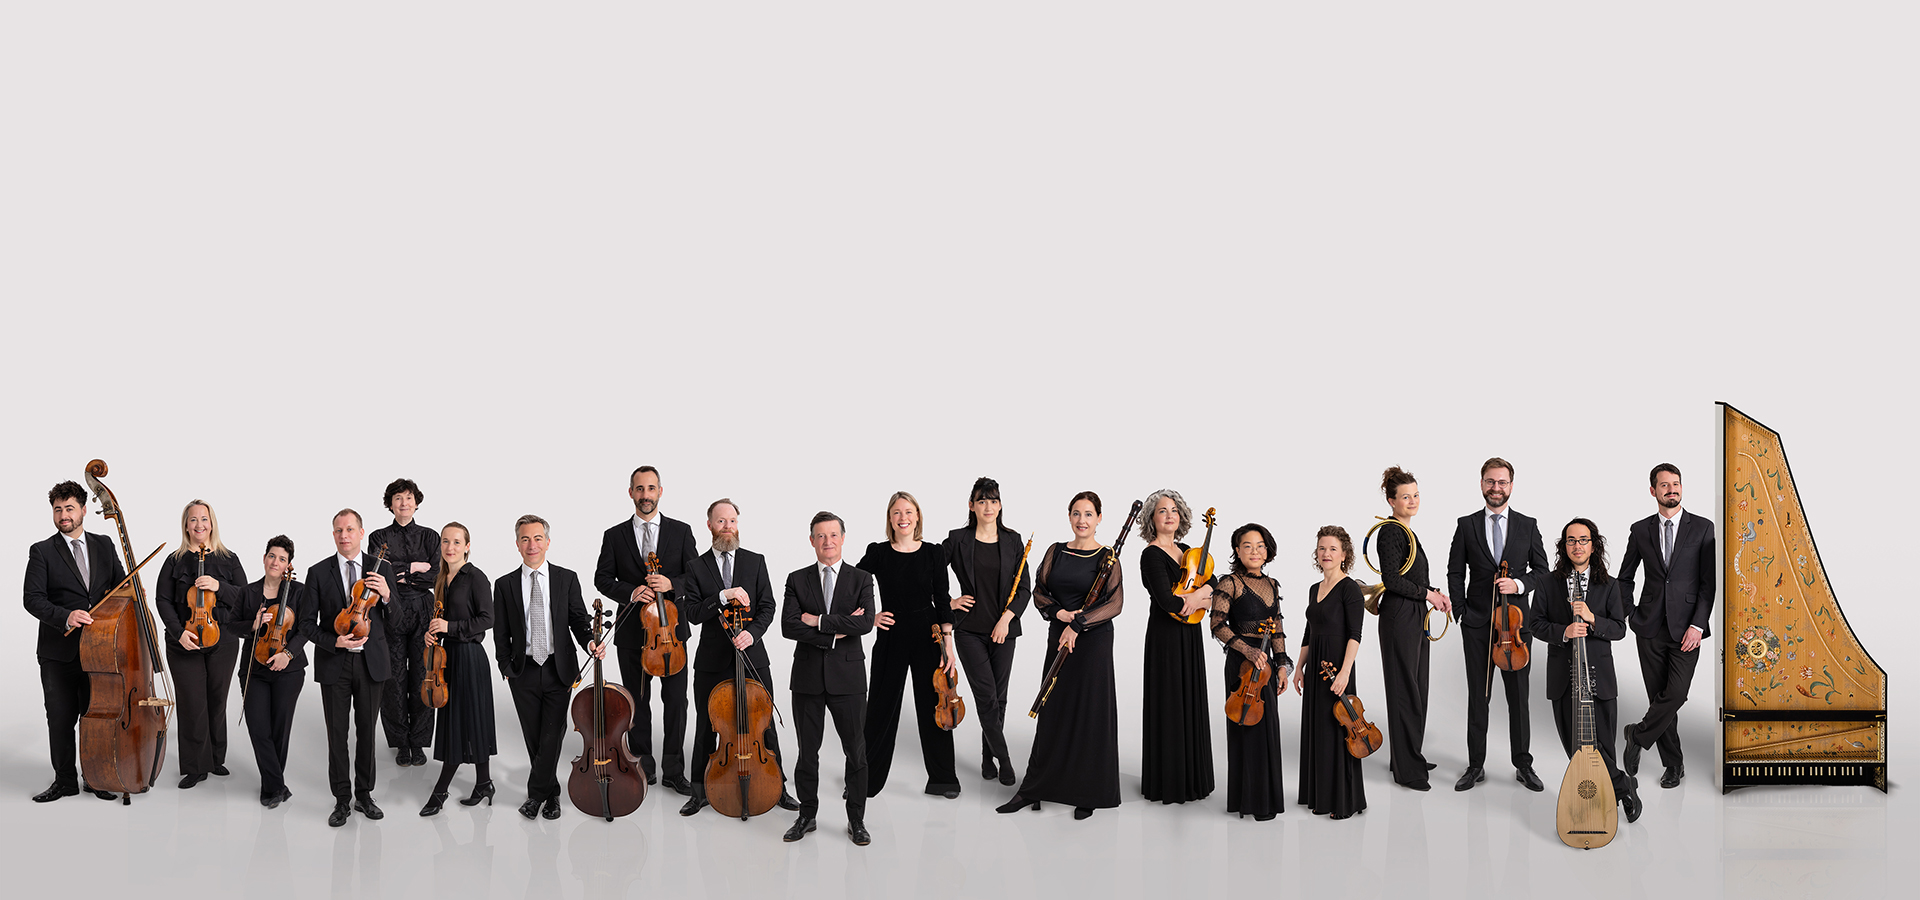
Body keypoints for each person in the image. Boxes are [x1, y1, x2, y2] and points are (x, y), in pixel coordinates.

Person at [1001, 491, 1124, 820]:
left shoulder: (1108, 557)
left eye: (1088, 514)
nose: (1081, 520)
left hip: (1094, 642)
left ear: (1099, 518)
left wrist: (1079, 623)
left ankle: (1088, 791)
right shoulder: (1055, 551)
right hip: (1059, 635)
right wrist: (1061, 616)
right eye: (1076, 513)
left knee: (1090, 712)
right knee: (1052, 709)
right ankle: (1035, 788)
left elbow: (1114, 604)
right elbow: (1040, 591)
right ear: (1069, 517)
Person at [675, 498, 799, 817]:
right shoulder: (696, 566)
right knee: (706, 725)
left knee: (765, 725)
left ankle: (779, 786)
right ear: (710, 526)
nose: (727, 527)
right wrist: (722, 596)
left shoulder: (755, 561)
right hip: (712, 661)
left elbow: (768, 606)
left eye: (732, 521)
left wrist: (753, 633)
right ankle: (699, 793)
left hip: (752, 656)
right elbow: (691, 613)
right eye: (720, 521)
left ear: (738, 524)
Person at [1444, 457, 1551, 793]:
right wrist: (1460, 611)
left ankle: (1523, 764)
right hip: (1476, 622)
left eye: (1502, 482)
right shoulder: (1466, 524)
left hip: (1516, 625)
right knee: (1479, 695)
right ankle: (1476, 765)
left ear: (1511, 486)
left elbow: (1543, 572)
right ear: (1481, 484)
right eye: (1490, 481)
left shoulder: (1527, 524)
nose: (1496, 488)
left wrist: (1517, 585)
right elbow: (1455, 571)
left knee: (1518, 697)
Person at [594, 465, 699, 794]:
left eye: (651, 489)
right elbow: (602, 578)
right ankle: (643, 764)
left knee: (676, 702)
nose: (645, 495)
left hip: (670, 637)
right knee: (637, 702)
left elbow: (696, 577)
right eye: (639, 489)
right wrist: (629, 591)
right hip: (632, 637)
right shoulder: (614, 535)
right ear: (631, 493)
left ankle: (673, 768)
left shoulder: (681, 532)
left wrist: (672, 584)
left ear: (660, 492)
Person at [493, 515, 603, 820]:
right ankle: (552, 795)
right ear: (517, 544)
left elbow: (580, 620)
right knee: (534, 736)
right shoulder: (504, 585)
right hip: (523, 669)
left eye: (538, 538)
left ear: (548, 542)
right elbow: (500, 631)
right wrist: (505, 664)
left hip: (559, 668)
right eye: (525, 539)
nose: (532, 544)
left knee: (552, 734)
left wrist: (590, 643)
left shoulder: (566, 578)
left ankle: (536, 796)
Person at [1533, 518, 1642, 822]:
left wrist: (1593, 618)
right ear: (1563, 545)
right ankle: (1619, 787)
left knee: (1603, 746)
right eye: (1571, 540)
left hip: (1599, 678)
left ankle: (1619, 794)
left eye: (1583, 540)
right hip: (1563, 679)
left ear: (1593, 545)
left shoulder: (1610, 585)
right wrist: (1564, 631)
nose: (1577, 546)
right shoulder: (1547, 583)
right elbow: (1535, 624)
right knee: (1576, 749)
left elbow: (1620, 628)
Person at [23, 481, 126, 803]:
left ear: (83, 509)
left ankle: (95, 778)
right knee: (61, 718)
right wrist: (66, 616)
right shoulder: (42, 551)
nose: (63, 515)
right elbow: (32, 599)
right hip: (59, 653)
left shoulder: (105, 544)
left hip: (102, 651)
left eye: (69, 508)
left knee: (95, 718)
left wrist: (130, 593)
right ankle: (65, 780)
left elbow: (119, 587)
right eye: (57, 509)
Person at [1618, 463, 1716, 790]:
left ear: (1681, 488)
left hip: (1688, 628)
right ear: (1653, 491)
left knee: (1675, 694)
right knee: (1660, 699)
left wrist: (1698, 625)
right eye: (1664, 485)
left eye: (1675, 484)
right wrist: (1630, 613)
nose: (1671, 489)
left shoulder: (1703, 528)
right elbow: (1625, 577)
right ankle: (1673, 765)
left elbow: (1708, 584)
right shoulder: (1640, 529)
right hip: (1648, 627)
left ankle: (1637, 735)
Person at [856, 492, 961, 798]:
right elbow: (854, 583)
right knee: (879, 706)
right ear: (890, 519)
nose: (903, 517)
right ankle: (867, 781)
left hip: (929, 636)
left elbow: (942, 599)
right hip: (892, 635)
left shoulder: (933, 553)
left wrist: (949, 645)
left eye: (908, 511)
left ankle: (943, 779)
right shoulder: (878, 552)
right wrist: (871, 617)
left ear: (917, 516)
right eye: (896, 513)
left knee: (934, 703)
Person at [780, 512, 874, 846]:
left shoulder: (861, 579)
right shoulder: (797, 579)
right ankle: (807, 815)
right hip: (806, 680)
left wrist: (818, 621)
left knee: (857, 753)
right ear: (812, 541)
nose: (827, 542)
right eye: (820, 536)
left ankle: (857, 820)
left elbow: (866, 624)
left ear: (843, 538)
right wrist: (838, 628)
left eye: (833, 535)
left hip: (848, 679)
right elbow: (789, 626)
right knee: (807, 754)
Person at [306, 509, 397, 827]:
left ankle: (365, 795)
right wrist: (334, 643)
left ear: (361, 533)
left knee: (367, 734)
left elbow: (397, 621)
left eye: (349, 529)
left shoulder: (382, 568)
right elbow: (306, 625)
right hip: (335, 663)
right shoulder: (318, 572)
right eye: (338, 530)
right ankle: (342, 800)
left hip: (371, 664)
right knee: (337, 734)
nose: (344, 535)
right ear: (333, 535)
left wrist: (386, 595)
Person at [151, 499, 249, 789]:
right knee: (192, 702)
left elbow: (244, 598)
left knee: (217, 700)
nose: (199, 525)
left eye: (204, 519)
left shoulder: (229, 558)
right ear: (186, 525)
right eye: (193, 520)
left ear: (212, 523)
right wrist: (178, 631)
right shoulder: (174, 560)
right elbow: (163, 600)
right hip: (184, 640)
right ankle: (195, 767)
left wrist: (220, 587)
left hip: (224, 638)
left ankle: (216, 759)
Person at [941, 477, 1029, 787]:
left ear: (1000, 505)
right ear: (971, 505)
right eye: (981, 500)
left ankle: (986, 755)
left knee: (1000, 699)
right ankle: (1004, 760)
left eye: (993, 500)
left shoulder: (1013, 540)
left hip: (1003, 629)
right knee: (987, 697)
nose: (988, 506)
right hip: (969, 631)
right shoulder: (957, 539)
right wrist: (949, 601)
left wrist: (1006, 619)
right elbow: (929, 573)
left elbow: (1024, 590)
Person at [1374, 467, 1451, 790]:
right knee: (1406, 690)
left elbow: (1411, 579)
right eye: (1405, 496)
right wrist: (1427, 594)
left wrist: (1433, 593)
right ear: (1392, 500)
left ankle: (1409, 755)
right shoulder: (1391, 531)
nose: (1412, 501)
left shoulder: (1407, 532)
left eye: (1416, 495)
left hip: (1414, 614)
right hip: (1400, 616)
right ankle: (1408, 770)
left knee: (1417, 687)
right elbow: (1391, 581)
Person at [1211, 522, 1293, 820]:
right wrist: (1248, 650)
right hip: (1241, 663)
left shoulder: (1272, 585)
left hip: (1267, 667)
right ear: (1237, 550)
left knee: (1267, 728)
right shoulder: (1228, 583)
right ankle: (1247, 801)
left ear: (1267, 550)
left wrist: (1282, 665)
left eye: (1260, 546)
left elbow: (1278, 628)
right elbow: (1217, 625)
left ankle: (1266, 800)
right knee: (1246, 728)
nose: (1255, 551)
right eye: (1247, 546)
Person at [1138, 488, 1214, 803]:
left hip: (1190, 635)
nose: (1169, 515)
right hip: (1165, 637)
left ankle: (1193, 777)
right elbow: (1168, 601)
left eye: (1174, 510)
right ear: (1152, 520)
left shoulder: (1189, 552)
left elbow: (1218, 583)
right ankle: (1168, 781)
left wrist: (1203, 591)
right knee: (1169, 701)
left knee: (1190, 698)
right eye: (1162, 511)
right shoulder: (1150, 554)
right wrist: (1198, 597)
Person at [420, 522, 497, 816]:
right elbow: (439, 620)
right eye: (445, 542)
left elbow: (487, 619)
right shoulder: (441, 578)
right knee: (466, 719)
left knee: (460, 721)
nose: (449, 547)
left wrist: (449, 627)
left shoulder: (476, 577)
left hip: (470, 657)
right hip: (446, 657)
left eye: (456, 542)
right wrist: (433, 634)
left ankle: (440, 792)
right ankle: (484, 783)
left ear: (467, 546)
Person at [1293, 526, 1367, 819]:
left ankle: (1343, 801)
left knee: (1339, 731)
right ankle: (1319, 796)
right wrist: (1299, 667)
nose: (1326, 554)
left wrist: (1345, 672)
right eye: (1322, 548)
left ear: (1344, 554)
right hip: (1316, 668)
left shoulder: (1350, 589)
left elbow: (1355, 634)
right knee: (1319, 730)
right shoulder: (1315, 589)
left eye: (1332, 549)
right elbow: (1309, 632)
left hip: (1338, 666)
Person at [233, 536, 309, 809]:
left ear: (289, 564)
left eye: (282, 559)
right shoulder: (248, 592)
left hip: (288, 670)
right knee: (258, 727)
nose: (276, 562)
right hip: (254, 668)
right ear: (264, 558)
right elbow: (232, 626)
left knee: (280, 728)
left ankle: (271, 788)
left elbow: (306, 628)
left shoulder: (299, 592)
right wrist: (252, 625)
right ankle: (277, 786)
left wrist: (287, 655)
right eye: (272, 556)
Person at [370, 478, 439, 768]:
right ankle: (400, 741)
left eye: (409, 498)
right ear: (390, 503)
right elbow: (377, 573)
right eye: (398, 498)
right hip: (390, 608)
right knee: (393, 676)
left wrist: (401, 573)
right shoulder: (378, 537)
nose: (404, 503)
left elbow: (436, 574)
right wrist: (413, 567)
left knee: (423, 673)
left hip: (424, 607)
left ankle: (419, 741)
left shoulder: (430, 536)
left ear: (417, 502)